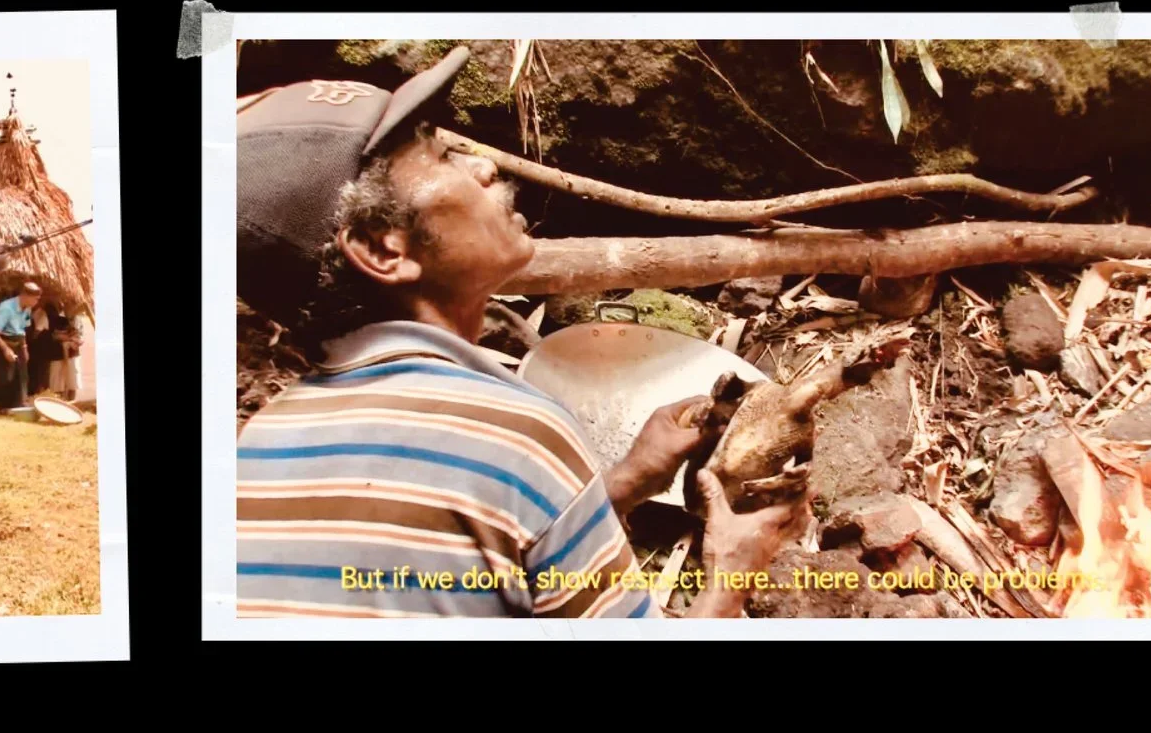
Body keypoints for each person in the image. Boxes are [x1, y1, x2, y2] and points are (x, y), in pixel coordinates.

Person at [234, 46, 806, 618]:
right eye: (439, 158)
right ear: (384, 249)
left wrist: (623, 482)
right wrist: (731, 577)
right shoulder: (513, 435)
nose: (484, 167)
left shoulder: (255, 447)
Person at [0, 282, 43, 410]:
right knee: (6, 376)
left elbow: (22, 328)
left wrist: (24, 348)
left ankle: (19, 405)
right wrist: (6, 350)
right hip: (3, 339)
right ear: (26, 296)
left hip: (19, 339)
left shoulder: (27, 307)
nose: (37, 302)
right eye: (35, 299)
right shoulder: (7, 308)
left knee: (22, 376)